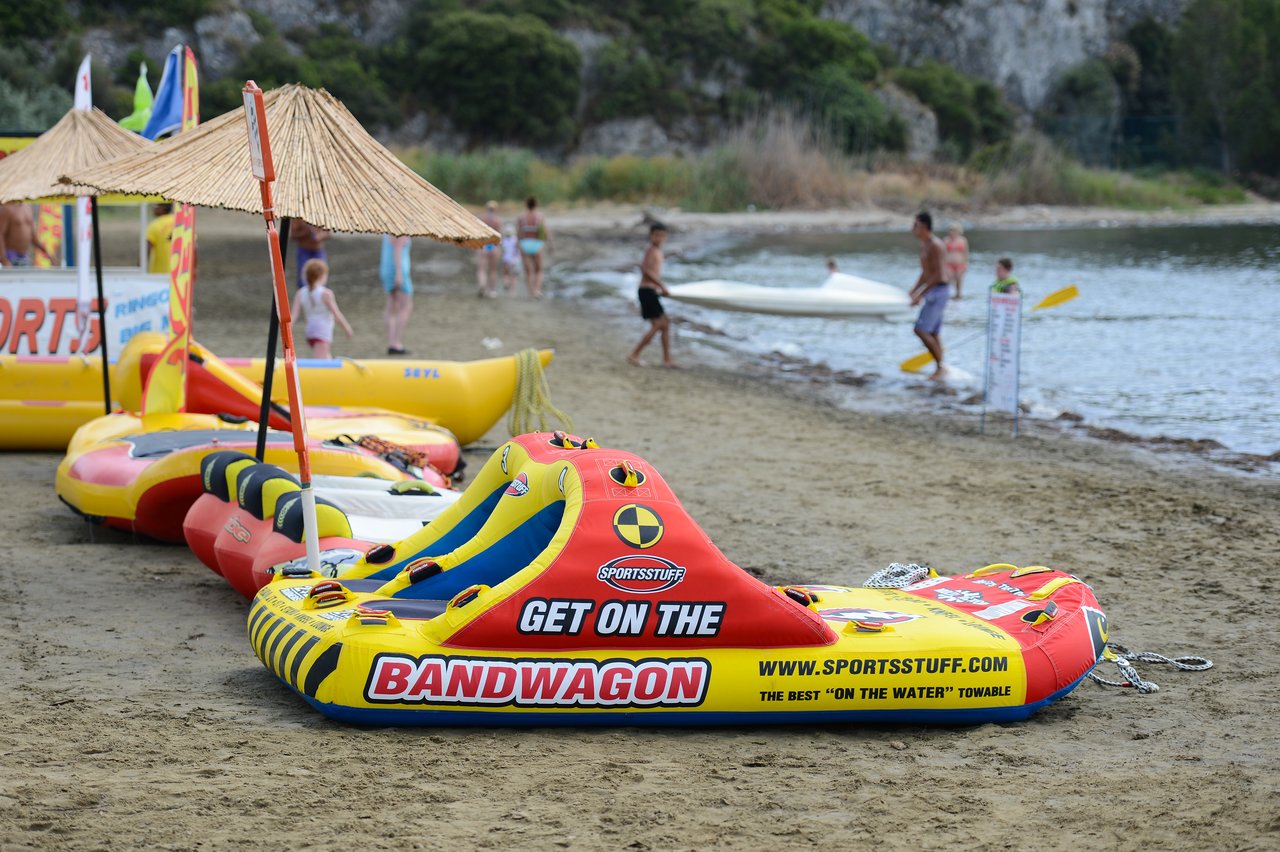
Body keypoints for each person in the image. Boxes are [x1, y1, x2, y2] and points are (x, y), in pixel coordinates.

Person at [627, 222, 676, 368]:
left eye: (662, 235)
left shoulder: (658, 252)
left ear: (666, 237)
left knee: (664, 324)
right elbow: (646, 270)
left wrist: (659, 288)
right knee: (660, 324)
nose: (659, 238)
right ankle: (634, 354)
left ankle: (667, 359)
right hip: (646, 291)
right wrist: (662, 285)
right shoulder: (651, 250)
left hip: (651, 291)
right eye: (656, 235)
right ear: (650, 236)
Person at [908, 211, 951, 381]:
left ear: (924, 227)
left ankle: (941, 367)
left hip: (939, 290)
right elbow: (925, 273)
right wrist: (913, 290)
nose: (913, 229)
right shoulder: (924, 244)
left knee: (920, 329)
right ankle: (940, 367)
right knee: (932, 332)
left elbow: (939, 274)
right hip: (933, 290)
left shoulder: (936, 245)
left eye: (915, 225)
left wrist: (921, 294)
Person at [290, 258, 352, 359]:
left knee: (327, 357)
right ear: (322, 276)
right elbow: (336, 314)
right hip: (322, 332)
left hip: (310, 331)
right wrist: (347, 328)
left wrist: (288, 329)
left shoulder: (301, 293)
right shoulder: (326, 293)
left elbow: (294, 315)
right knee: (322, 362)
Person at [380, 234, 413, 355]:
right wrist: (399, 274)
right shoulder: (400, 230)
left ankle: (391, 342)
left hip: (386, 269)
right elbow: (398, 251)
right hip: (398, 270)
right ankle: (395, 342)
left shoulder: (388, 230)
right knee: (406, 306)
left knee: (391, 306)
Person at [516, 196, 552, 298]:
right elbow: (545, 232)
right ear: (536, 205)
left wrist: (516, 246)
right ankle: (537, 290)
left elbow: (518, 233)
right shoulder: (540, 217)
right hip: (537, 244)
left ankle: (530, 292)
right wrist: (550, 244)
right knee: (539, 269)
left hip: (525, 244)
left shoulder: (521, 217)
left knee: (528, 271)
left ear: (526, 205)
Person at [290, 219, 330, 288]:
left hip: (318, 251)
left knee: (321, 275)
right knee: (303, 279)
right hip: (303, 251)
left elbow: (328, 233)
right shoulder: (298, 218)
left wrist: (320, 236)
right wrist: (305, 233)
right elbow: (293, 236)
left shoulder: (321, 215)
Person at [476, 201, 502, 298]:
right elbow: (499, 235)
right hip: (494, 246)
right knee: (493, 270)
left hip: (483, 245)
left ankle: (482, 285)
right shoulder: (497, 220)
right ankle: (492, 291)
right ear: (495, 209)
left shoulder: (482, 219)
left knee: (482, 269)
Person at [0, 202, 38, 267]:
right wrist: (4, 259)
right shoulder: (7, 208)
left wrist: (48, 254)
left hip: (24, 256)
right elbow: (0, 234)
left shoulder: (28, 207)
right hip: (10, 256)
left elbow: (33, 237)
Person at [145, 203, 175, 274]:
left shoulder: (154, 225)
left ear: (163, 208)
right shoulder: (180, 221)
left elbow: (147, 248)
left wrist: (139, 266)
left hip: (159, 274)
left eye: (155, 205)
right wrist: (194, 268)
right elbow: (193, 246)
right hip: (179, 274)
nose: (153, 208)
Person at [945, 223, 969, 299]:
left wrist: (966, 263)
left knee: (959, 280)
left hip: (960, 263)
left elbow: (966, 253)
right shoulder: (946, 240)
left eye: (953, 230)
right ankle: (949, 294)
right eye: (950, 230)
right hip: (949, 264)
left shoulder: (963, 240)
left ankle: (958, 296)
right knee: (949, 279)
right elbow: (943, 253)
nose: (951, 232)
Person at [500, 226, 520, 293]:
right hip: (514, 259)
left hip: (506, 259)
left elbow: (502, 249)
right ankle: (513, 290)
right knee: (514, 275)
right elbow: (517, 249)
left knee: (506, 273)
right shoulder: (516, 239)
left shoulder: (503, 240)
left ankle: (506, 283)